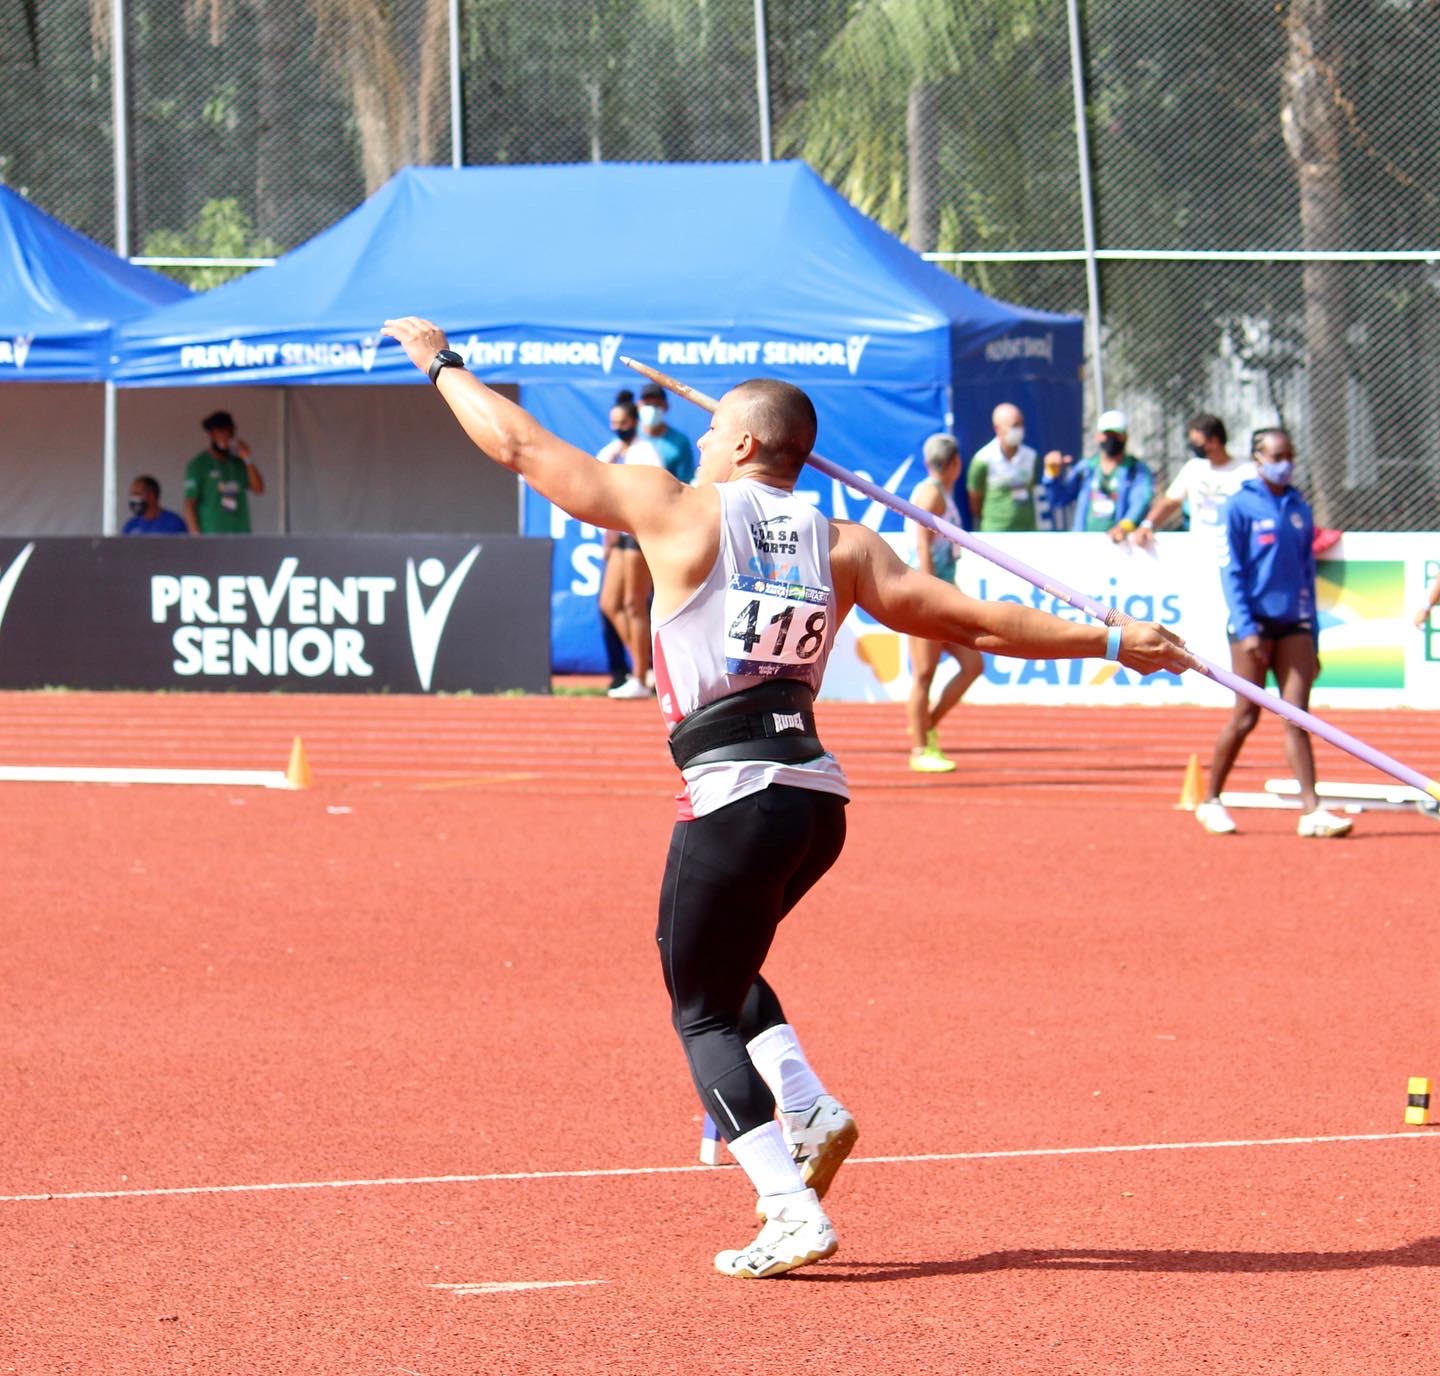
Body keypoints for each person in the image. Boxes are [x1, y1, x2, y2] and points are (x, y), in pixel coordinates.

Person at [383, 315, 1189, 1280]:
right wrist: (1106, 641)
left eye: (716, 424)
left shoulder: (676, 507)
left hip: (734, 793)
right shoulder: (845, 543)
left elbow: (517, 443)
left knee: (699, 1009)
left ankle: (785, 1200)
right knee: (712, 960)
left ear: (745, 443)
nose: (705, 435)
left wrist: (440, 364)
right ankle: (804, 1103)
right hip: (815, 804)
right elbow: (977, 621)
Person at [1193, 427, 1352, 839]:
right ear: (1258, 459)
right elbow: (1233, 573)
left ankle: (1311, 810)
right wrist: (1247, 629)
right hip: (1254, 626)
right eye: (1277, 455)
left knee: (1297, 715)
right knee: (1246, 716)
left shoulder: (1298, 506)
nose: (1286, 463)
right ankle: (1211, 799)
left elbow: (1306, 573)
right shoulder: (1239, 507)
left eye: (1290, 454)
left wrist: (1312, 638)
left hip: (1295, 622)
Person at [907, 433, 984, 773]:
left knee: (973, 665)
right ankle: (921, 747)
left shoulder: (941, 493)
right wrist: (928, 587)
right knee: (924, 674)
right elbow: (922, 539)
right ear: (956, 464)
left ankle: (928, 725)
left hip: (941, 593)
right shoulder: (931, 492)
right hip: (927, 597)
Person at [595, 392, 661, 699]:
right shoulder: (613, 450)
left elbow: (649, 492)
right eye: (613, 423)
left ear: (634, 422)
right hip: (618, 534)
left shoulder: (646, 452)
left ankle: (639, 676)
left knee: (635, 604)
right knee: (609, 603)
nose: (618, 427)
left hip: (639, 533)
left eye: (622, 423)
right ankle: (646, 667)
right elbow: (598, 480)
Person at [1133, 414, 1255, 553]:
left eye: (1196, 443)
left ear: (1214, 441)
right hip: (1201, 546)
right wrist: (1148, 524)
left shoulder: (1247, 471)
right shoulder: (1194, 468)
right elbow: (1171, 502)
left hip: (1235, 547)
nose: (1193, 447)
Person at [1042, 410, 1154, 541]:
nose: (1111, 439)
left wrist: (1124, 527)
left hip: (1120, 544)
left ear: (1125, 437)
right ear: (1098, 436)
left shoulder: (1136, 470)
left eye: (1116, 435)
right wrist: (1052, 472)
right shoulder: (1086, 468)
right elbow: (1058, 499)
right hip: (1085, 544)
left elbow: (1140, 501)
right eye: (1107, 434)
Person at [183, 411, 264, 534]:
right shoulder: (198, 465)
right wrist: (196, 535)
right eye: (221, 433)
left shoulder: (239, 462)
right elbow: (190, 503)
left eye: (229, 433)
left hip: (240, 533)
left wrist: (247, 458)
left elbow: (258, 489)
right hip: (211, 533)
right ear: (211, 435)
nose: (225, 438)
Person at [966, 402, 1039, 532]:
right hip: (995, 533)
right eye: (1014, 426)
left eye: (1021, 424)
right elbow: (975, 500)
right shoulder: (982, 459)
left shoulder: (1032, 456)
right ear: (997, 428)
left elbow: (1034, 489)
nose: (1019, 430)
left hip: (1027, 533)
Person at [637, 383, 696, 484]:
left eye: (656, 405)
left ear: (666, 406)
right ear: (638, 406)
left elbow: (685, 482)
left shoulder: (679, 442)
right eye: (647, 404)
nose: (652, 409)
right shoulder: (628, 435)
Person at [121, 475, 188, 535]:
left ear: (152, 495)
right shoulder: (131, 525)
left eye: (137, 494)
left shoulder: (174, 523)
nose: (133, 498)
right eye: (131, 495)